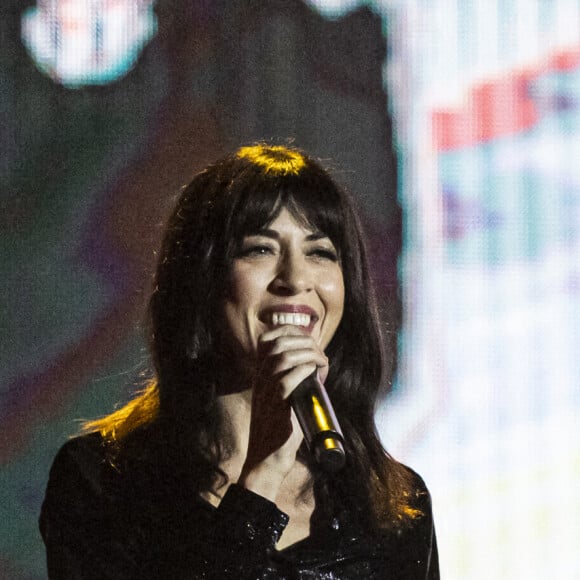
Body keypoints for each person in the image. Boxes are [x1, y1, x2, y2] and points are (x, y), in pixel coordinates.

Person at [40, 144, 439, 579]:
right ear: (203, 278)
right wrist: (262, 476)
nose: (295, 279)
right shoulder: (105, 483)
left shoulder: (394, 506)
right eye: (260, 249)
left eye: (320, 252)